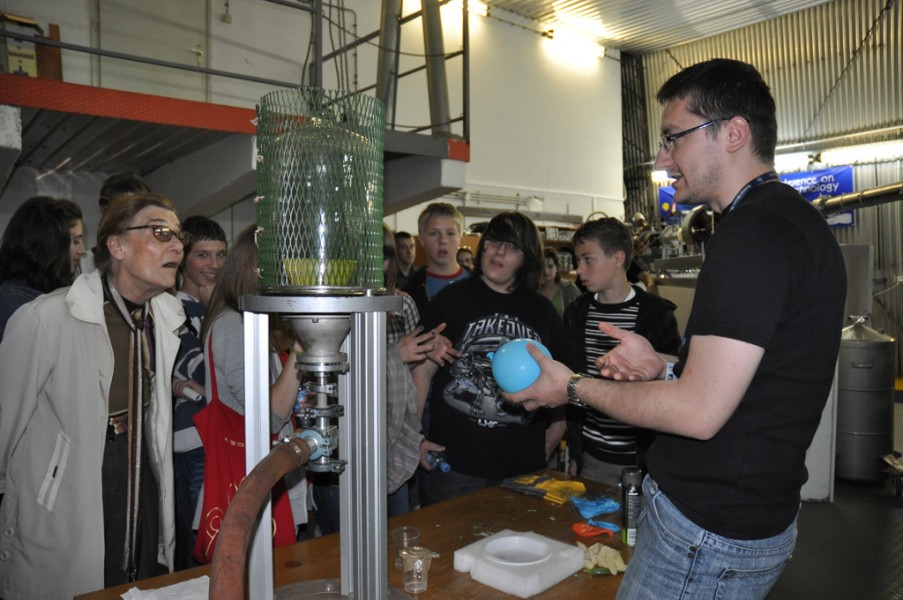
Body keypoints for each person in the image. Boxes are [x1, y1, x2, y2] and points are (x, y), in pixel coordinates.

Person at [506, 58, 847, 600]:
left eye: (673, 138)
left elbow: (698, 412)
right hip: (745, 518)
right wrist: (663, 365)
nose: (663, 159)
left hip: (706, 533)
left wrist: (570, 386)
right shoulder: (793, 223)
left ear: (733, 133)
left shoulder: (752, 235)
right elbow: (755, 378)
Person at [0, 193, 187, 598]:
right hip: (73, 487)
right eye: (160, 232)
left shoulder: (162, 318)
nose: (177, 246)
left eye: (179, 235)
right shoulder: (45, 319)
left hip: (140, 475)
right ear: (117, 246)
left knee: (136, 583)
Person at [412, 211, 566, 505]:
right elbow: (421, 372)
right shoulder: (450, 299)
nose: (499, 252)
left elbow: (560, 381)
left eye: (512, 247)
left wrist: (557, 430)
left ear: (526, 258)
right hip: (454, 466)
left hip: (523, 466)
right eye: (494, 241)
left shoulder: (543, 311)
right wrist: (414, 436)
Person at [311, 225, 455, 533]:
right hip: (343, 451)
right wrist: (394, 354)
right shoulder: (328, 306)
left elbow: (410, 382)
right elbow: (327, 379)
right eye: (364, 256)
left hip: (391, 451)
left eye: (383, 257)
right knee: (341, 548)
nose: (375, 266)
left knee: (393, 545)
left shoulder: (402, 304)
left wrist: (430, 350)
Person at [198, 224, 308, 537]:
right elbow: (270, 415)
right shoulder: (232, 326)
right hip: (250, 478)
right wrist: (302, 344)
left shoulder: (254, 320)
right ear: (256, 270)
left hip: (262, 475)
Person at [562, 217, 680, 486]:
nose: (579, 269)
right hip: (592, 455)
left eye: (588, 259)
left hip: (643, 458)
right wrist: (576, 451)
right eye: (577, 260)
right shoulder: (576, 313)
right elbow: (570, 380)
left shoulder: (657, 314)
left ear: (617, 258)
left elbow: (675, 380)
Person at [170, 215, 227, 571]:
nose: (214, 265)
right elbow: (206, 371)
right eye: (203, 255)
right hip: (193, 441)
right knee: (199, 543)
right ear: (183, 259)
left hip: (220, 435)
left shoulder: (216, 308)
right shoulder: (172, 307)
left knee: (218, 539)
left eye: (220, 255)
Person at [0, 196, 86, 340]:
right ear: (49, 244)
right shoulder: (16, 301)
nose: (82, 250)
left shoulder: (42, 291)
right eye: (75, 241)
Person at [402, 202, 470, 318]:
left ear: (460, 237)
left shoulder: (480, 282)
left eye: (450, 233)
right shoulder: (410, 293)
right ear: (422, 239)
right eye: (434, 233)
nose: (443, 240)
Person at [81, 173, 153, 274]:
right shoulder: (88, 262)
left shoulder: (157, 255)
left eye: (143, 207)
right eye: (127, 207)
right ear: (106, 208)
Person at [539, 247, 580, 317]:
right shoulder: (536, 290)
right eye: (543, 266)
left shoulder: (568, 288)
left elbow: (580, 312)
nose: (546, 271)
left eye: (550, 266)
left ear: (557, 267)